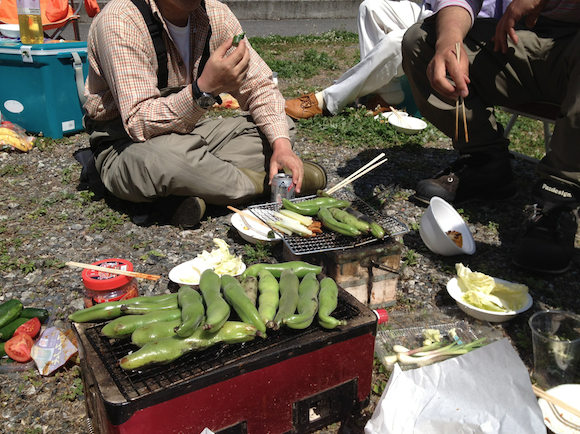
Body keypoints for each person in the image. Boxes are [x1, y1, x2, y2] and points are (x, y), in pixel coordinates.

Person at [83, 0, 327, 228]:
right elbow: (139, 122)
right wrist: (203, 89)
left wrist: (282, 146)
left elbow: (260, 88)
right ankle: (265, 186)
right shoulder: (121, 19)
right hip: (126, 145)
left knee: (281, 126)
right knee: (169, 160)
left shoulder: (216, 15)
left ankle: (191, 189)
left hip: (187, 135)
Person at [401, 0, 580, 273]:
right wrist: (449, 41)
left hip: (573, 42)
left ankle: (558, 196)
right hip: (514, 39)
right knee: (420, 41)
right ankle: (487, 164)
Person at [284, 0, 432, 119]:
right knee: (370, 7)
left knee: (396, 42)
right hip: (432, 10)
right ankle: (389, 93)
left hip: (449, 24)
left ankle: (328, 101)